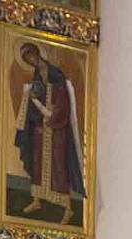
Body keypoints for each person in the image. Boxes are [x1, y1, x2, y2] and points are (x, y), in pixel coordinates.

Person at [15, 42, 86, 222]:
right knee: (38, 163)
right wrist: (35, 110)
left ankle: (68, 208)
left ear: (38, 54)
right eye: (27, 60)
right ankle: (37, 200)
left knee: (58, 167)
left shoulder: (56, 75)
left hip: (56, 129)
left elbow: (62, 103)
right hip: (41, 128)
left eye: (31, 56)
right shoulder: (37, 76)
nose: (31, 61)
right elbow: (35, 99)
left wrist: (51, 117)